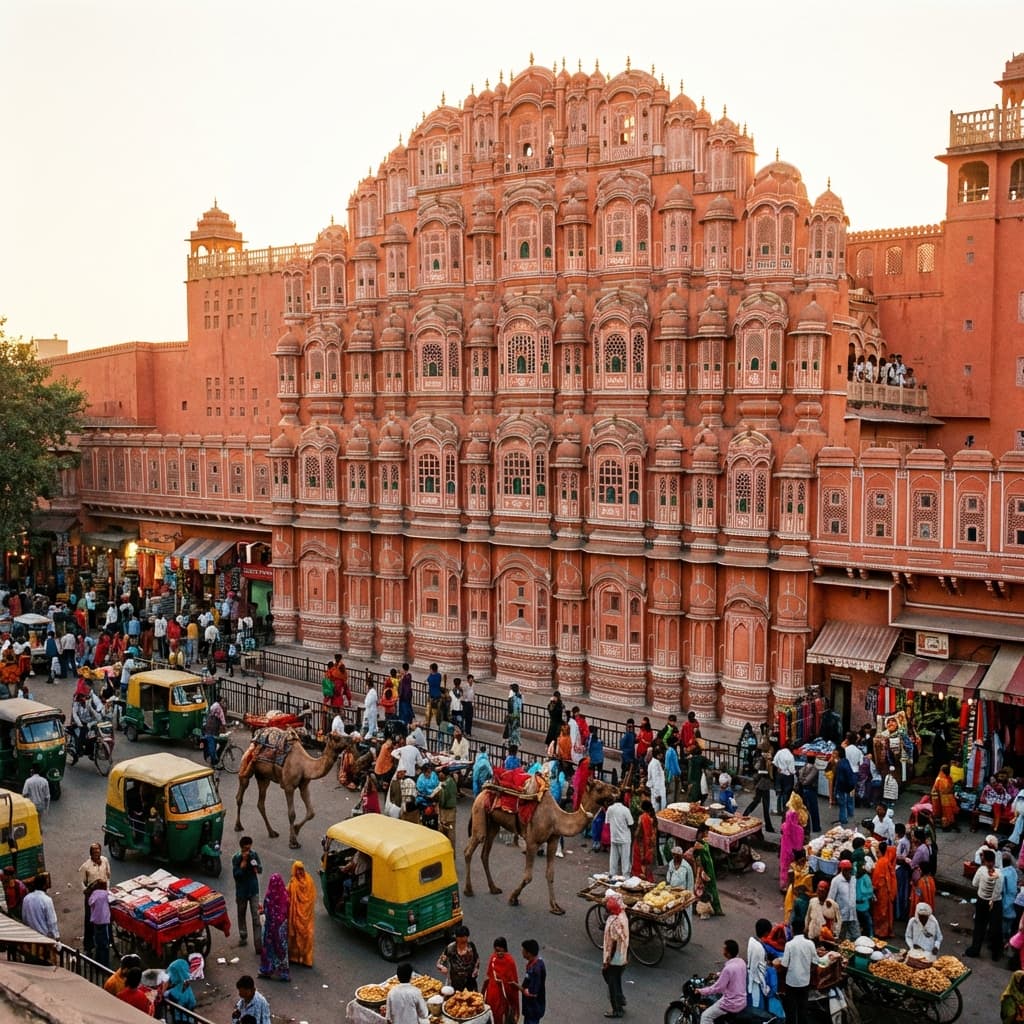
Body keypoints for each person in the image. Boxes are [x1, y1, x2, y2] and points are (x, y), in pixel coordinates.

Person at [965, 846, 1005, 959]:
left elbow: (974, 884)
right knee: (995, 928)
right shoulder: (1000, 874)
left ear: (985, 861)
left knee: (979, 926)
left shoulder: (981, 871)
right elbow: (998, 890)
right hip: (995, 902)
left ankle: (975, 949)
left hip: (982, 900)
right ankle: (996, 953)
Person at [697, 939, 747, 1024]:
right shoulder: (741, 962)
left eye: (724, 949)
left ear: (728, 953)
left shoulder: (728, 969)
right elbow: (733, 974)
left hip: (731, 1004)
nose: (722, 951)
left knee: (705, 1016)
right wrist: (719, 974)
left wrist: (701, 991)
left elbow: (717, 988)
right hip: (742, 1001)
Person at [79, 841, 111, 955]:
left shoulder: (105, 861)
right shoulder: (85, 866)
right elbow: (81, 882)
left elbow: (108, 876)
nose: (97, 854)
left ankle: (108, 940)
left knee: (105, 917)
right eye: (94, 852)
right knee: (89, 920)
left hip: (103, 895)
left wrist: (107, 890)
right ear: (91, 853)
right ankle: (88, 945)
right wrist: (87, 892)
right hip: (91, 897)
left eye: (98, 851)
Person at [233, 836, 264, 952]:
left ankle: (258, 944)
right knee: (241, 913)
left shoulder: (254, 855)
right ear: (242, 849)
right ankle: (243, 935)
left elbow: (260, 869)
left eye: (249, 848)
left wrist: (257, 868)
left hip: (253, 890)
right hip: (241, 891)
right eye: (246, 849)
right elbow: (236, 875)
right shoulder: (236, 858)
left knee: (256, 917)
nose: (248, 851)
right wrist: (243, 863)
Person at [258, 872, 290, 981]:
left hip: (271, 927)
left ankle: (267, 969)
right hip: (281, 928)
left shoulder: (269, 896)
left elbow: (266, 911)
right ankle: (283, 973)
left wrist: (262, 912)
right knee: (282, 949)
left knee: (269, 948)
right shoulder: (285, 896)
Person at [601, 893, 629, 1019]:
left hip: (615, 957)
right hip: (622, 955)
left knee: (612, 981)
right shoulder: (623, 916)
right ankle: (620, 1000)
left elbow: (612, 944)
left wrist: (608, 961)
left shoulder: (615, 923)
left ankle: (617, 1009)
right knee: (617, 980)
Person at [484, 936, 520, 1024]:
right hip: (492, 993)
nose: (498, 953)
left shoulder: (510, 961)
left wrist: (503, 984)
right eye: (496, 951)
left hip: (504, 995)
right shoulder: (493, 958)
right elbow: (489, 975)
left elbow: (512, 981)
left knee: (500, 1016)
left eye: (500, 951)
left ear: (505, 949)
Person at [287, 860, 315, 968]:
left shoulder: (309, 881)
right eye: (297, 870)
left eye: (301, 870)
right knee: (296, 936)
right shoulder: (293, 883)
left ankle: (306, 959)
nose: (299, 872)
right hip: (296, 916)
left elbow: (312, 897)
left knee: (307, 936)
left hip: (306, 916)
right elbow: (287, 896)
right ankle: (295, 958)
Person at [689, 824, 722, 916]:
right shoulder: (698, 844)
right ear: (702, 832)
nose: (707, 834)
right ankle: (701, 908)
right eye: (706, 832)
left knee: (710, 888)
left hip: (709, 868)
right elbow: (697, 859)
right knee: (702, 889)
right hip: (703, 869)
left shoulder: (704, 842)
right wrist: (701, 871)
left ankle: (713, 908)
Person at [438, 924, 480, 991]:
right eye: (460, 942)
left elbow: (477, 958)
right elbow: (439, 962)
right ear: (456, 938)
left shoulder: (471, 946)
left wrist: (476, 969)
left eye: (464, 942)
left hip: (470, 980)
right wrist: (441, 967)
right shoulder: (450, 948)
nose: (462, 945)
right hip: (456, 982)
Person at [779, 794, 806, 890]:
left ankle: (784, 886)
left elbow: (783, 830)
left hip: (786, 849)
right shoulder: (800, 827)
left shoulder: (786, 826)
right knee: (794, 868)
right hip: (796, 850)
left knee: (785, 866)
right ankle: (792, 885)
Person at [871, 840, 897, 939]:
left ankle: (881, 932)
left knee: (881, 912)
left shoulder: (881, 863)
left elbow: (877, 881)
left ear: (880, 852)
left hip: (882, 891)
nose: (876, 854)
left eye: (877, 852)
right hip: (888, 890)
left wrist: (873, 888)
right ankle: (887, 930)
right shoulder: (886, 860)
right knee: (887, 912)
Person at [21, 872, 59, 942]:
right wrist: (56, 937)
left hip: (31, 938)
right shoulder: (47, 900)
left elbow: (24, 918)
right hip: (44, 938)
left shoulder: (26, 898)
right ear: (44, 886)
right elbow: (52, 921)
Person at [828, 859, 860, 940]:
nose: (848, 872)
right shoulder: (836, 881)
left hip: (852, 914)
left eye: (849, 870)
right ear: (842, 870)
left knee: (856, 936)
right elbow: (830, 899)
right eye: (845, 870)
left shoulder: (853, 879)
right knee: (841, 938)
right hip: (841, 916)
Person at [743, 755, 776, 832]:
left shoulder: (765, 760)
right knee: (764, 804)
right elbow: (759, 771)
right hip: (763, 784)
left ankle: (745, 815)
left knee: (758, 802)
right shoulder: (764, 760)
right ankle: (768, 826)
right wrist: (768, 772)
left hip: (762, 784)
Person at [605, 793, 634, 877]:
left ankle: (612, 874)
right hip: (625, 838)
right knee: (625, 860)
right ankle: (626, 877)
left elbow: (607, 822)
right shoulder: (626, 810)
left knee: (613, 858)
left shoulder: (610, 809)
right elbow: (631, 824)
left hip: (614, 837)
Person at [783, 849, 814, 927]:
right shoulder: (792, 866)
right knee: (791, 909)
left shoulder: (808, 865)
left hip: (805, 890)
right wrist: (794, 889)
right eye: (801, 860)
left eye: (804, 859)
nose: (802, 862)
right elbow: (791, 880)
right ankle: (789, 925)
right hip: (794, 890)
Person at [666, 846, 695, 925]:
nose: (675, 857)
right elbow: (668, 878)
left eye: (677, 855)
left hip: (683, 894)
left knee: (684, 917)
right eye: (673, 855)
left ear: (681, 856)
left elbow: (690, 883)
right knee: (671, 915)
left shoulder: (686, 867)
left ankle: (683, 935)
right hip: (672, 894)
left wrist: (689, 896)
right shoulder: (671, 863)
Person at [520, 939, 546, 1024]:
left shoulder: (535, 970)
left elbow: (532, 992)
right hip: (533, 1008)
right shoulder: (538, 962)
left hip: (533, 1008)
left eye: (523, 950)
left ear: (529, 953)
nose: (522, 952)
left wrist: (522, 989)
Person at [631, 799, 658, 882]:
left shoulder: (642, 817)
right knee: (647, 863)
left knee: (638, 861)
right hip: (650, 845)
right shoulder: (653, 818)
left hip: (641, 843)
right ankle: (647, 878)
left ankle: (639, 878)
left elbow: (638, 832)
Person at [931, 764, 960, 830]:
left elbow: (936, 790)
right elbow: (952, 787)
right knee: (950, 812)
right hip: (950, 798)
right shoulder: (949, 778)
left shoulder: (939, 779)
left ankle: (947, 825)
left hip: (943, 799)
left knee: (946, 812)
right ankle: (950, 823)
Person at [833, 747, 856, 826]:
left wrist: (836, 791)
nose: (833, 755)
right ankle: (850, 814)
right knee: (851, 800)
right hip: (851, 786)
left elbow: (839, 779)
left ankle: (843, 819)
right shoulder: (846, 761)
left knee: (842, 804)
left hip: (843, 787)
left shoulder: (839, 764)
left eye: (835, 753)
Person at [772, 742, 796, 814]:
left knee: (779, 792)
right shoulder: (790, 756)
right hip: (787, 776)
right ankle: (784, 810)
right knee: (786, 793)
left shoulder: (779, 752)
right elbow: (792, 770)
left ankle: (778, 809)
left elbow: (774, 762)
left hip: (779, 774)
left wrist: (779, 767)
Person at [203, 695, 227, 765]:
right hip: (213, 728)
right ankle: (213, 760)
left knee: (212, 742)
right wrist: (225, 725)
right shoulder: (218, 707)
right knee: (213, 743)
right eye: (222, 701)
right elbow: (222, 718)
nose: (223, 702)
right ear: (220, 700)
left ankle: (213, 757)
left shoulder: (213, 705)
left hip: (209, 726)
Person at [437, 767, 458, 844]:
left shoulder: (445, 784)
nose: (439, 774)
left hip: (445, 812)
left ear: (443, 774)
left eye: (440, 773)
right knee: (451, 832)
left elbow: (443, 799)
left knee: (444, 833)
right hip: (452, 811)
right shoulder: (452, 781)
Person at [619, 719, 637, 785]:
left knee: (628, 771)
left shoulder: (633, 734)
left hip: (630, 756)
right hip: (626, 757)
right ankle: (623, 782)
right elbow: (621, 745)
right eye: (629, 727)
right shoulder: (627, 735)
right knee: (625, 770)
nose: (630, 728)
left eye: (631, 727)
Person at [505, 684, 522, 748]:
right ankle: (515, 742)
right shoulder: (519, 697)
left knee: (511, 729)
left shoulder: (512, 699)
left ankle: (511, 742)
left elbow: (510, 707)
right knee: (516, 729)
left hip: (512, 715)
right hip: (517, 715)